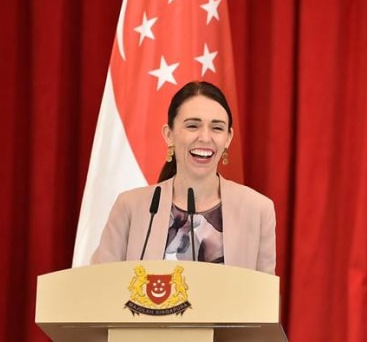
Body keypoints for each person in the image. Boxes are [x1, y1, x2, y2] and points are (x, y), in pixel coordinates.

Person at [91, 81, 276, 273]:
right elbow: (100, 285)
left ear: (228, 138)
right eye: (193, 126)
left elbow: (265, 298)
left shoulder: (258, 210)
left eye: (217, 128)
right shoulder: (130, 206)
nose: (205, 137)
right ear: (169, 134)